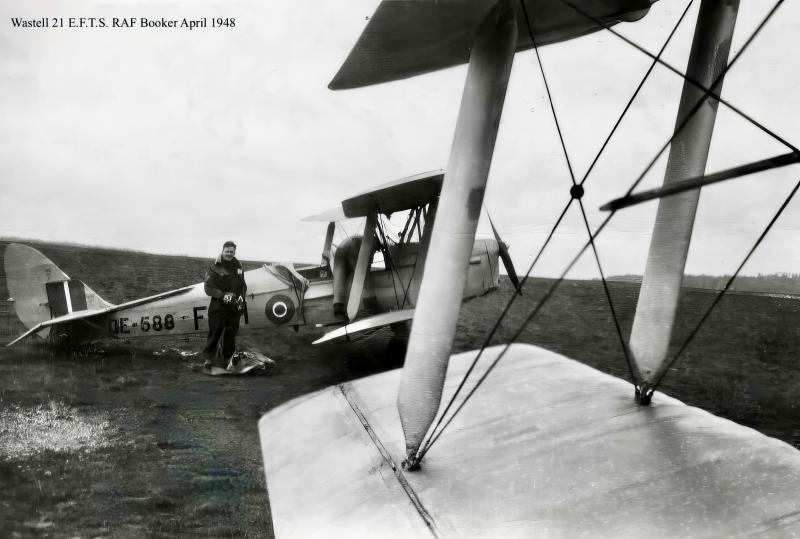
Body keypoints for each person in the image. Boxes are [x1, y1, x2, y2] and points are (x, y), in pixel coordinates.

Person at [202, 240, 247, 369]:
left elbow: (243, 286)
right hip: (218, 306)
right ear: (222, 251)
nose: (229, 254)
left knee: (231, 335)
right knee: (214, 333)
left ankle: (227, 360)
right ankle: (209, 360)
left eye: (231, 251)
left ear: (234, 252)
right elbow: (208, 288)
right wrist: (222, 295)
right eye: (227, 251)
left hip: (233, 307)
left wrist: (241, 298)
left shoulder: (239, 267)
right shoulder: (214, 267)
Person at [332, 235, 363, 321]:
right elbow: (365, 267)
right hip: (353, 246)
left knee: (339, 276)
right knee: (356, 275)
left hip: (341, 247)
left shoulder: (360, 238)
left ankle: (338, 306)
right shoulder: (370, 243)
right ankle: (355, 309)